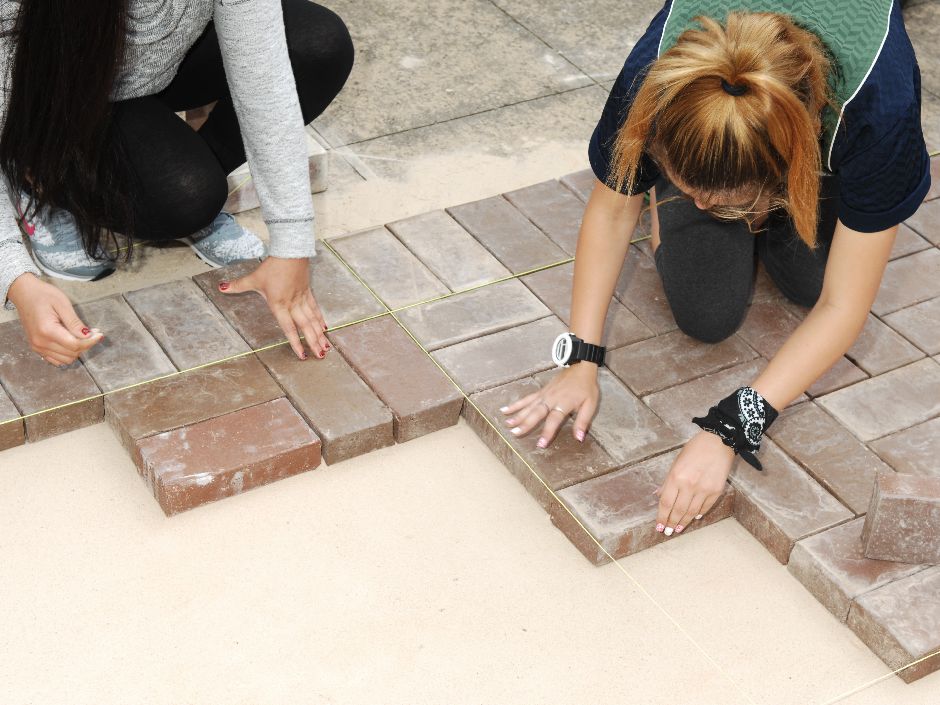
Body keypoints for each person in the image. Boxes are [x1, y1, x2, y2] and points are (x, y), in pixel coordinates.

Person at [502, 1, 930, 537]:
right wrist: (581, 358)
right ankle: (719, 204)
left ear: (788, 165)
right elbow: (613, 211)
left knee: (814, 285)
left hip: (822, 138)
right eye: (689, 186)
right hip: (748, 148)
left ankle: (783, 211)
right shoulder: (654, 76)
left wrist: (731, 429)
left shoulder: (877, 111)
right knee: (707, 314)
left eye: (718, 198)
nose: (701, 203)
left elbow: (843, 305)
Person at [0, 0, 354, 366]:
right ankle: (37, 177)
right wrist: (16, 280)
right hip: (44, 100)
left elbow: (263, 79)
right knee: (185, 198)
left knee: (317, 44)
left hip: (150, 72)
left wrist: (292, 244)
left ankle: (164, 169)